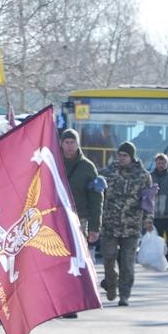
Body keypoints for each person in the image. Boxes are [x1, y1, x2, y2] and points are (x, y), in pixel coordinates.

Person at [99, 141, 152, 306]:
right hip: (109, 224)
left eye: (125, 156)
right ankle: (111, 284)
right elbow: (98, 196)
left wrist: (148, 220)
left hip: (131, 226)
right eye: (119, 155)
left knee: (127, 263)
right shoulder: (107, 173)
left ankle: (124, 295)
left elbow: (148, 201)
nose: (121, 158)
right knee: (108, 259)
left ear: (132, 157)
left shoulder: (143, 176)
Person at [59, 128, 104, 319]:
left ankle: (72, 304)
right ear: (61, 143)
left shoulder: (87, 167)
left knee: (75, 261)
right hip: (55, 218)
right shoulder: (53, 161)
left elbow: (96, 199)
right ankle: (57, 302)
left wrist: (95, 227)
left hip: (79, 220)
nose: (69, 146)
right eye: (66, 142)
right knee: (57, 261)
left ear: (78, 144)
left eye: (72, 142)